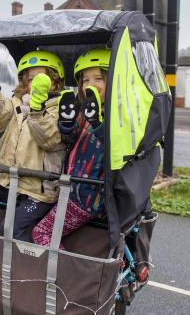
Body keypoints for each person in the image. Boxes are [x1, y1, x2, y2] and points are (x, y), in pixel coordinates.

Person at [0, 50, 66, 242]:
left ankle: (28, 268)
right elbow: (0, 119)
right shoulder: (18, 103)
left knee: (11, 228)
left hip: (40, 190)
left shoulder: (57, 108)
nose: (33, 84)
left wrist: (37, 109)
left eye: (41, 78)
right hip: (15, 184)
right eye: (29, 79)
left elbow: (50, 138)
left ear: (55, 81)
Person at [31, 48, 109, 248]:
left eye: (98, 78)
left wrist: (98, 124)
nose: (90, 85)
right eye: (85, 80)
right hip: (72, 189)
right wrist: (67, 124)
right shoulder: (85, 110)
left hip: (86, 196)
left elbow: (112, 146)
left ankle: (65, 276)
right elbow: (71, 140)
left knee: (42, 232)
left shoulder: (115, 116)